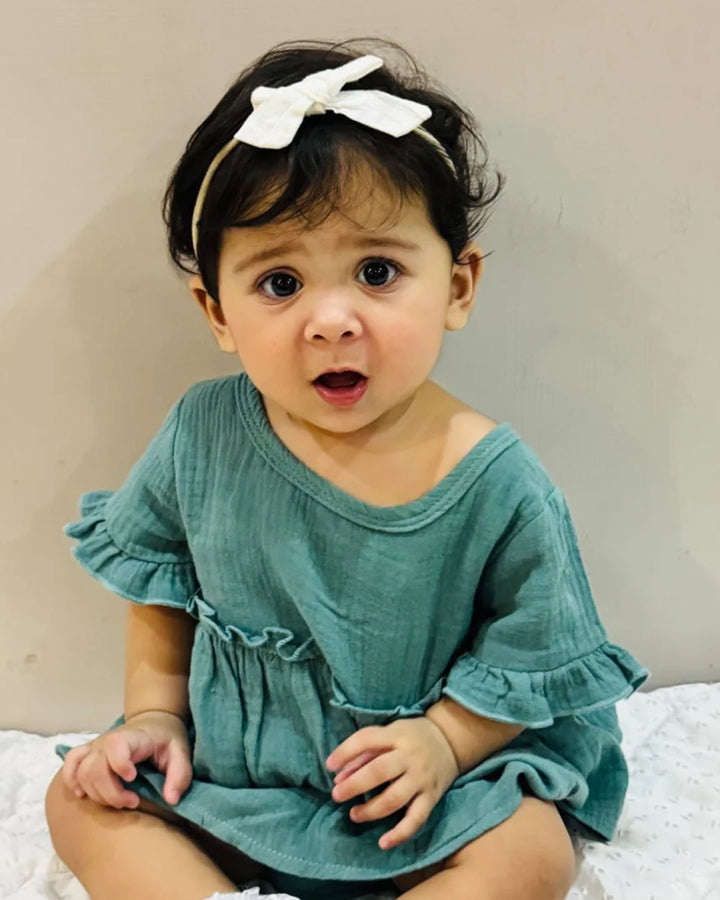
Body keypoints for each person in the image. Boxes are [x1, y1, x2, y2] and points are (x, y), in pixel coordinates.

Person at [44, 38, 649, 900]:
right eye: (279, 283)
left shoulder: (497, 481)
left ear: (458, 287)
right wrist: (152, 717)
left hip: (420, 794)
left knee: (530, 850)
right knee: (79, 802)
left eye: (376, 271)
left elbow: (534, 652)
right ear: (217, 312)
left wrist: (445, 741)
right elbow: (160, 591)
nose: (331, 320)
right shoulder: (202, 434)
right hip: (235, 778)